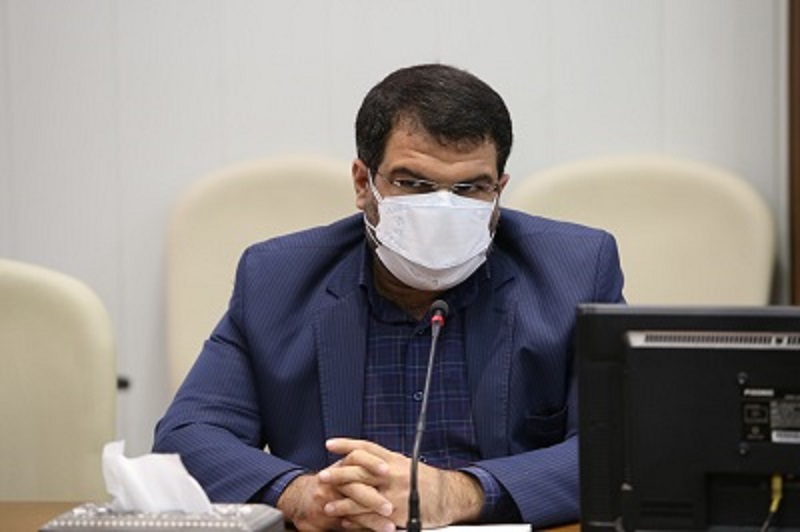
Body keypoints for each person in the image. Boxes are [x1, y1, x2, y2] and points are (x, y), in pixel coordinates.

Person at [153, 63, 625, 531]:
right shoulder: (277, 279)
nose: (443, 208)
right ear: (363, 183)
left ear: (500, 190)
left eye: (470, 188)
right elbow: (187, 437)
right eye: (413, 184)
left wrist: (460, 493)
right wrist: (301, 496)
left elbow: (624, 444)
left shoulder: (574, 271)